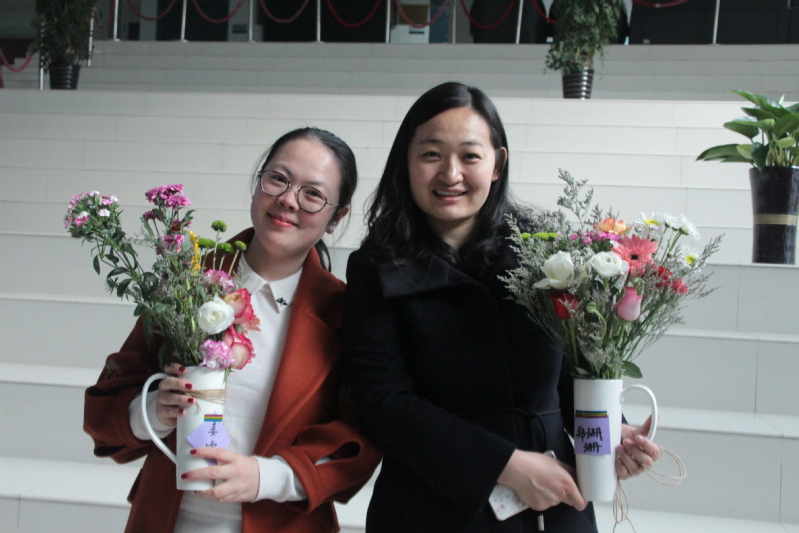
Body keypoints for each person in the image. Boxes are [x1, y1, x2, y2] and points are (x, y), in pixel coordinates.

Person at [341, 82, 661, 532]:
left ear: (497, 164)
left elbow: (572, 375)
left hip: (555, 499)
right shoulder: (375, 267)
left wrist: (609, 434)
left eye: (470, 156)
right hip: (433, 506)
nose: (450, 173)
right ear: (405, 162)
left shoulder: (546, 255)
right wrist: (505, 466)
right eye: (431, 154)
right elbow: (384, 404)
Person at [84, 127, 382, 533]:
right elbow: (106, 409)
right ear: (258, 183)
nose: (288, 199)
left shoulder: (346, 314)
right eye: (278, 179)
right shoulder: (187, 280)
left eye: (313, 194)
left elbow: (358, 438)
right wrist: (154, 410)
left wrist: (269, 476)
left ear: (337, 218)